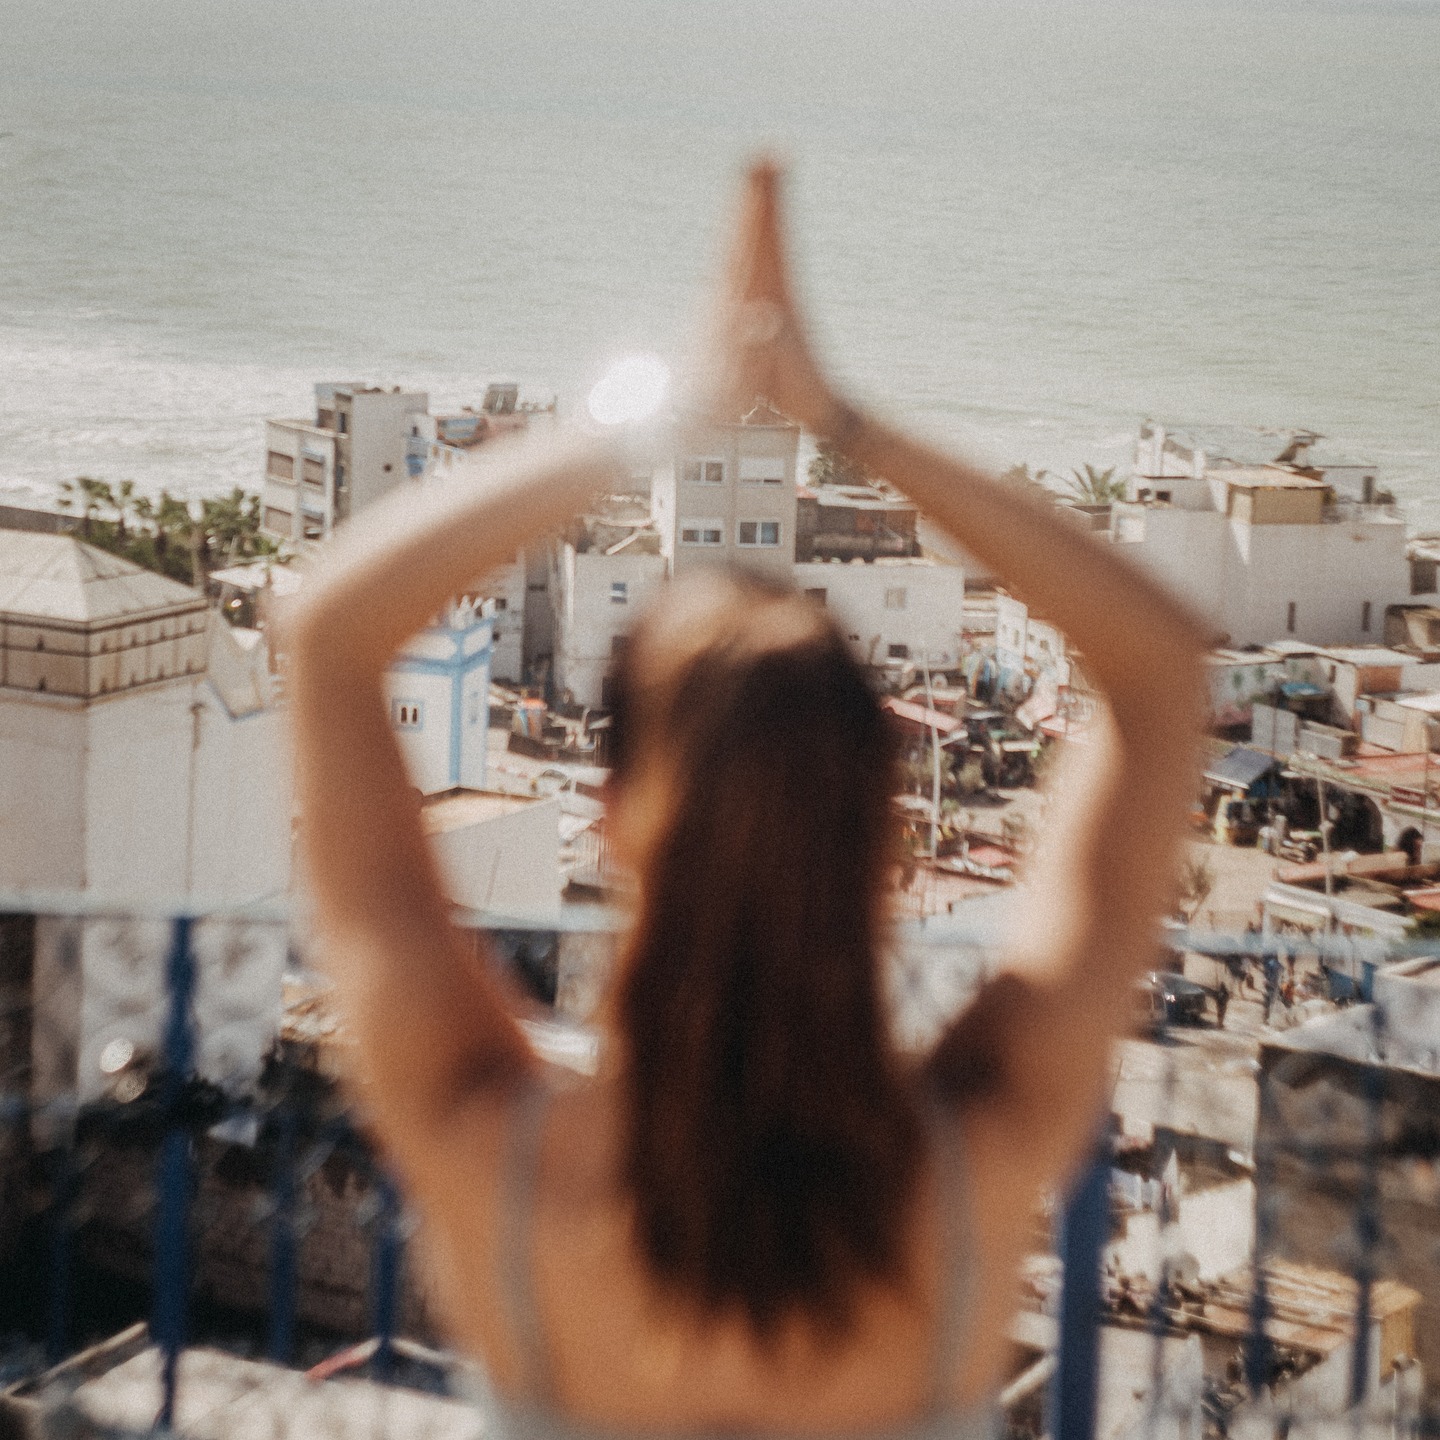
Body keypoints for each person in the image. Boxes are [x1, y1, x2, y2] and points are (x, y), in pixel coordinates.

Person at [282, 164, 1208, 1435]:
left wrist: (664, 413)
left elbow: (331, 633)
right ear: (880, 831)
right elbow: (1160, 672)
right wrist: (840, 418)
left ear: (613, 814)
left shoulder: (500, 1155)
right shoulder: (962, 1168)